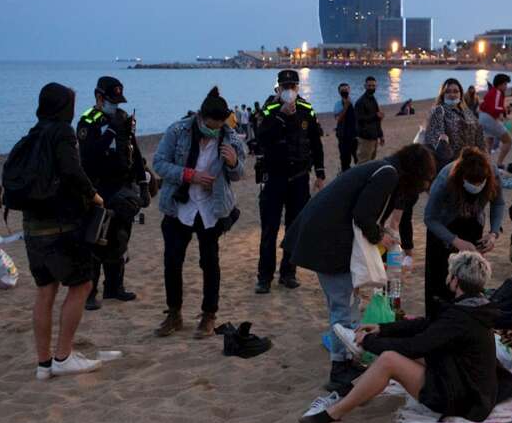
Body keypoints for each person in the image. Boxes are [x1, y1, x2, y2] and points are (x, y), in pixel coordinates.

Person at [298, 251, 512, 423]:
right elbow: (426, 324)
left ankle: (334, 412)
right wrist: (383, 329)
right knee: (406, 350)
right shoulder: (475, 306)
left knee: (389, 360)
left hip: (463, 399)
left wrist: (368, 342)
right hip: (467, 384)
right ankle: (351, 391)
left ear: (455, 280)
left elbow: (415, 346)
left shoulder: (461, 317)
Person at [282, 144, 436, 394]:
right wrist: (380, 237)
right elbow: (363, 215)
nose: (425, 185)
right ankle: (339, 370)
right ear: (415, 171)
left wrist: (381, 233)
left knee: (345, 304)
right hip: (326, 242)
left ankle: (346, 363)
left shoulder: (386, 169)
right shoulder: (388, 174)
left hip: (326, 237)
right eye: (426, 179)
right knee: (341, 306)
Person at [19, 82, 105, 379]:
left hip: (31, 227)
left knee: (45, 290)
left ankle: (43, 364)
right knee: (81, 285)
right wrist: (93, 194)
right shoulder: (62, 132)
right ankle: (63, 355)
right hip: (60, 226)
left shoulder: (33, 134)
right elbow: (71, 169)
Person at [152, 87, 246, 339]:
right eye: (210, 125)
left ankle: (208, 315)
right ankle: (174, 313)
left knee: (210, 262)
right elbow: (159, 163)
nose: (214, 130)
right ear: (201, 117)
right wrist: (189, 175)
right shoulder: (177, 131)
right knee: (172, 261)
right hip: (179, 206)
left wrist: (233, 162)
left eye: (218, 126)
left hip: (211, 210)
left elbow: (239, 175)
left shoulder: (231, 138)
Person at [77, 76, 148, 309]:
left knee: (120, 238)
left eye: (118, 101)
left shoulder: (122, 118)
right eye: (111, 100)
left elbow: (133, 150)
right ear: (99, 97)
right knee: (97, 239)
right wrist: (110, 132)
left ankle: (114, 287)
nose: (115, 106)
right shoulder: (88, 121)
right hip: (98, 187)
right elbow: (89, 155)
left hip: (122, 185)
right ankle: (90, 293)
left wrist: (143, 181)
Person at [254, 69, 326, 293]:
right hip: (274, 177)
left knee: (295, 228)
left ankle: (288, 273)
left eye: (292, 86)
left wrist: (320, 173)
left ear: (297, 88)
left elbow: (315, 141)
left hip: (300, 178)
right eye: (285, 87)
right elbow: (261, 137)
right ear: (278, 88)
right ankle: (264, 278)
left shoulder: (306, 109)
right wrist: (281, 114)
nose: (289, 91)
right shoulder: (269, 109)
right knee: (269, 229)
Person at [423, 147, 505, 319]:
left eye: (480, 183)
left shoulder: (493, 172)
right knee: (439, 283)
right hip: (443, 228)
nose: (476, 187)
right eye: (471, 183)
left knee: (469, 278)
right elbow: (430, 218)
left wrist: (493, 233)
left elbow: (498, 204)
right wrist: (455, 241)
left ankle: (466, 319)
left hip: (473, 225)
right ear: (461, 177)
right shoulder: (445, 178)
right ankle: (436, 321)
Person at [422, 78, 485, 169]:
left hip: (471, 163)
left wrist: (483, 158)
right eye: (448, 92)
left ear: (460, 94)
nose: (452, 95)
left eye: (456, 91)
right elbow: (435, 143)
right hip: (451, 166)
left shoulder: (467, 112)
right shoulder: (439, 111)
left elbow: (480, 138)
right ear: (443, 94)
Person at [478, 73, 512, 168]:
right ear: (500, 84)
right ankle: (499, 163)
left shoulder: (492, 91)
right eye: (505, 84)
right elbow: (495, 108)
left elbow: (488, 105)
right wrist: (505, 109)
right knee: (508, 141)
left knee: (489, 142)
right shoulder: (497, 92)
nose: (506, 86)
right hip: (489, 118)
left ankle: (486, 164)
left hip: (482, 117)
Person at [354, 76, 384, 162]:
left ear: (376, 87)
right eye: (369, 85)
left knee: (371, 161)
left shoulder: (373, 99)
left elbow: (377, 121)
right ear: (365, 86)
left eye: (373, 86)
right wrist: (375, 116)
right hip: (365, 138)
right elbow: (359, 119)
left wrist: (380, 135)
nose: (371, 87)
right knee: (363, 162)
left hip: (374, 137)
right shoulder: (360, 102)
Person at [333, 82, 359, 171]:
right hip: (343, 137)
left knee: (359, 160)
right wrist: (346, 107)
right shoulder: (337, 104)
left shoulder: (355, 102)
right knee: (345, 161)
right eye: (342, 90)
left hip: (355, 136)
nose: (344, 91)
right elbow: (338, 119)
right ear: (339, 92)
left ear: (349, 90)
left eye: (346, 89)